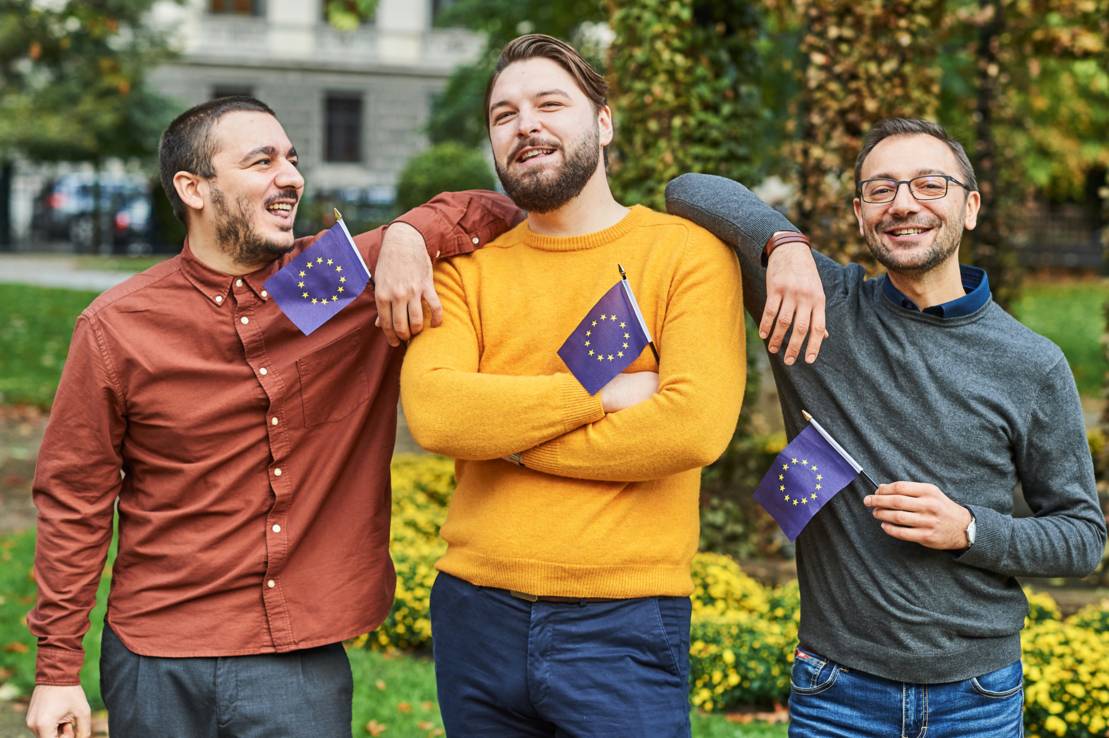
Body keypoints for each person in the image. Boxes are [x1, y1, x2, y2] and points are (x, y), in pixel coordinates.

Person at [24, 95, 521, 738]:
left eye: (292, 159)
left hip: (298, 658)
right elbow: (74, 498)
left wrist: (406, 235)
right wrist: (58, 671)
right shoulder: (119, 327)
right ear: (193, 188)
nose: (291, 177)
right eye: (262, 162)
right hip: (157, 655)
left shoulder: (320, 282)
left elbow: (495, 210)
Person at [666, 117, 1107, 738]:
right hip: (835, 689)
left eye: (930, 185)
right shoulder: (818, 305)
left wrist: (969, 530)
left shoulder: (1032, 364)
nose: (903, 204)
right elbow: (689, 189)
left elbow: (1083, 538)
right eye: (881, 190)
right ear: (860, 212)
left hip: (977, 694)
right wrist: (784, 244)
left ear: (970, 207)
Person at [397, 33, 754, 737]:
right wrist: (596, 396)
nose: (524, 124)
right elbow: (438, 416)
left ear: (603, 121)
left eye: (549, 103)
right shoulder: (464, 272)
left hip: (623, 620)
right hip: (475, 613)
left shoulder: (687, 256)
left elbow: (691, 426)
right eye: (504, 115)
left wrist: (508, 442)